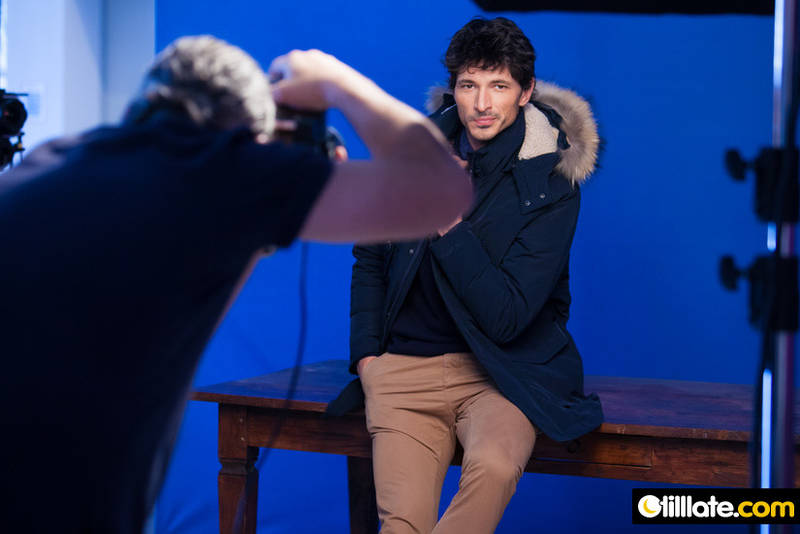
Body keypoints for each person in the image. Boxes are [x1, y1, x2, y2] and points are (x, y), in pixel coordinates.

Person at [0, 36, 470, 533]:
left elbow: (186, 293)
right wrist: (335, 81)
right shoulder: (224, 170)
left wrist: (266, 210)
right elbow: (443, 193)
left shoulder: (55, 157)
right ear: (248, 132)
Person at [327, 17, 604, 533]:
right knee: (402, 525)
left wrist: (448, 221)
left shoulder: (551, 185)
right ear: (452, 88)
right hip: (403, 373)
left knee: (494, 469)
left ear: (525, 91)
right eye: (469, 85)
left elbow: (507, 317)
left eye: (498, 86)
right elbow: (370, 258)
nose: (481, 103)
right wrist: (368, 359)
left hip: (501, 375)